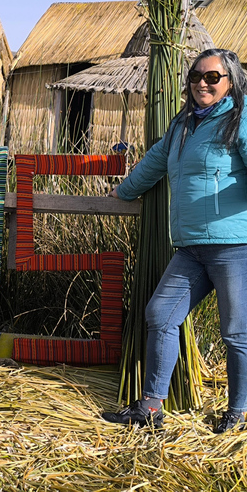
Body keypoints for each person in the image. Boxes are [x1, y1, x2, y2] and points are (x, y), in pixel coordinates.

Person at [102, 48, 247, 433]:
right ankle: (150, 408)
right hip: (191, 247)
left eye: (212, 77)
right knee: (159, 314)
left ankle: (239, 412)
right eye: (196, 76)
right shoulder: (182, 124)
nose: (202, 83)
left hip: (235, 246)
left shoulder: (239, 117)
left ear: (229, 82)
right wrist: (124, 191)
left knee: (236, 333)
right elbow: (155, 161)